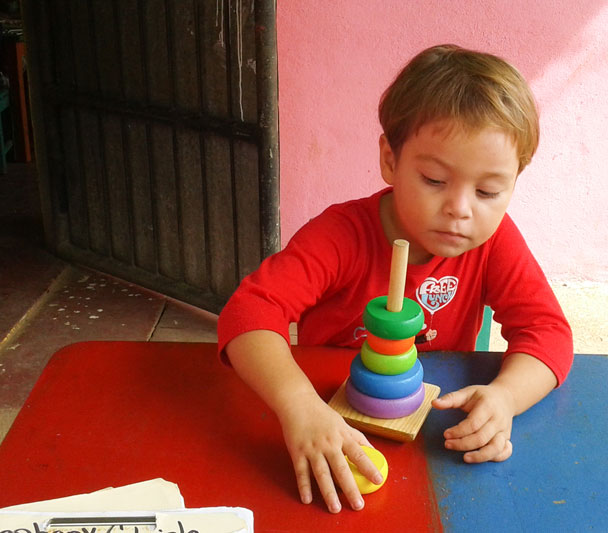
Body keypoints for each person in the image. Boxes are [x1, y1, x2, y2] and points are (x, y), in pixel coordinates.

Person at [217, 44, 573, 514]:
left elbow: (548, 332)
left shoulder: (494, 243)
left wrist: (506, 397)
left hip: (430, 435)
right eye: (434, 180)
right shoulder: (340, 236)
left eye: (488, 190)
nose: (461, 209)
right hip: (328, 417)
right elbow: (247, 312)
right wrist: (299, 405)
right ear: (390, 159)